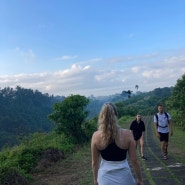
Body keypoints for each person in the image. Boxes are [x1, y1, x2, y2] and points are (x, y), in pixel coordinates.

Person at [91, 103, 143, 185]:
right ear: (117, 115)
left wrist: (95, 180)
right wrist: (140, 180)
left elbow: (94, 162)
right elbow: (134, 160)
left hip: (105, 179)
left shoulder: (96, 136)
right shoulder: (128, 134)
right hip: (124, 178)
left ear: (101, 116)